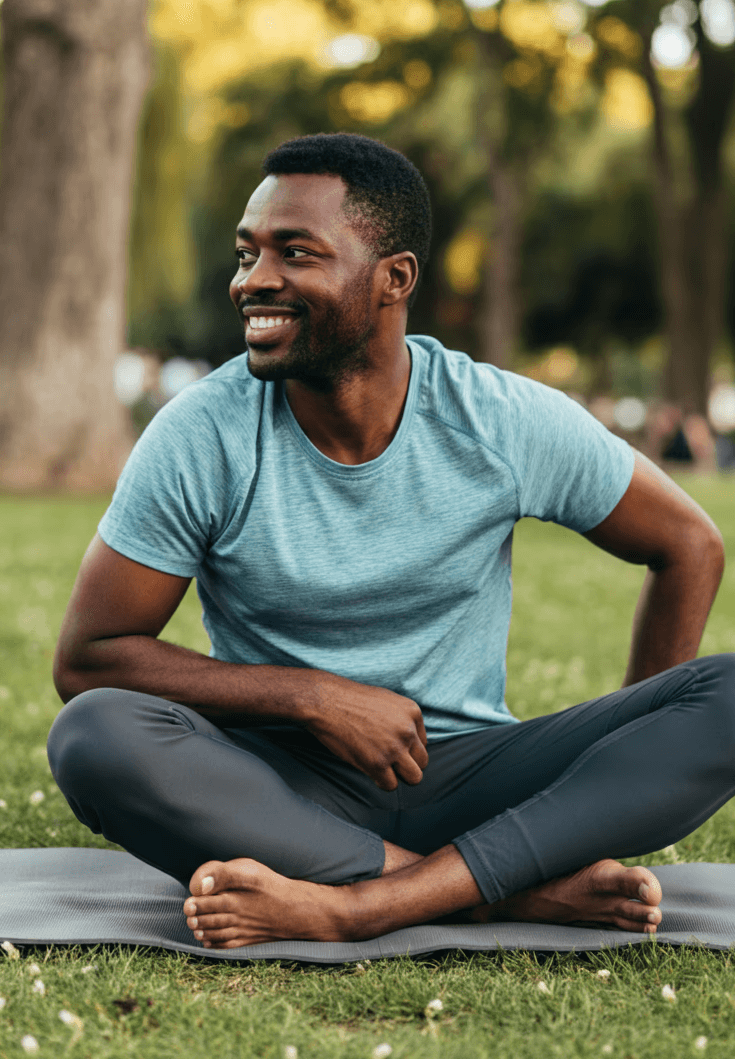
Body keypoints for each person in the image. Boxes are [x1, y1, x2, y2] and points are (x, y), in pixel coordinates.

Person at [49, 133, 733, 951]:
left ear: (392, 279)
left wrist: (603, 778)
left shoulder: (497, 418)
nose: (252, 280)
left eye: (294, 252)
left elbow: (689, 543)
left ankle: (360, 904)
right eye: (247, 252)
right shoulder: (200, 433)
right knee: (95, 732)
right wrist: (310, 695)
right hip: (288, 791)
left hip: (479, 772)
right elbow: (89, 656)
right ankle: (494, 892)